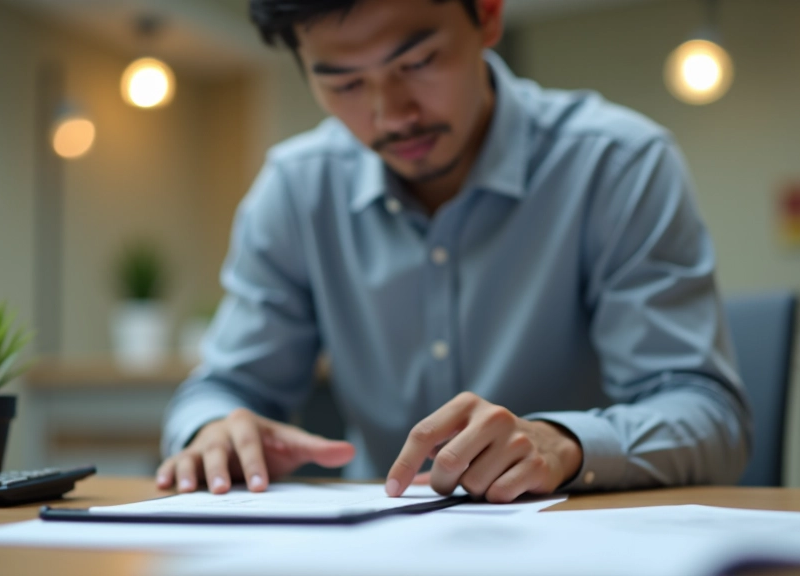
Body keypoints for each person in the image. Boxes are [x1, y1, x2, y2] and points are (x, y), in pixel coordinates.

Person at [156, 0, 751, 503]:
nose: (391, 115)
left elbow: (708, 416)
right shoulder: (296, 189)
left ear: (487, 15)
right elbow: (223, 389)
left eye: (417, 62)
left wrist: (562, 443)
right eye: (345, 84)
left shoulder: (616, 164)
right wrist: (211, 428)